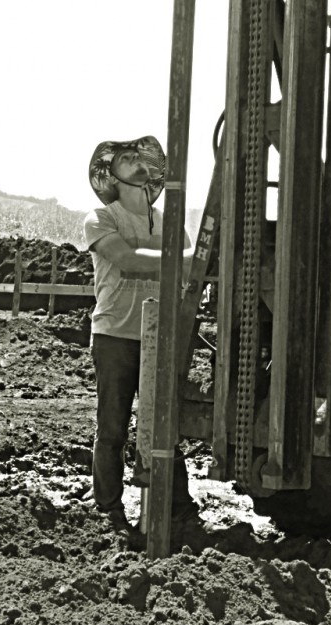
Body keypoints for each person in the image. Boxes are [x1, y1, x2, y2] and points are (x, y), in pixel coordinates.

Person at [83, 135, 200, 532]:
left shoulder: (170, 224)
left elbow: (187, 278)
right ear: (111, 176)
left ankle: (178, 506)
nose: (136, 162)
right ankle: (108, 508)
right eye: (127, 159)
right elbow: (126, 257)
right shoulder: (102, 218)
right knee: (113, 426)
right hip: (115, 334)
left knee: (164, 423)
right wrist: (190, 258)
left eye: (139, 157)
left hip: (159, 337)